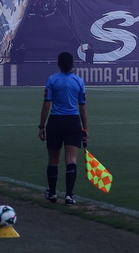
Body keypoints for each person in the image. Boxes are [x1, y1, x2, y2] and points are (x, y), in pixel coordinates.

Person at [39, 51, 88, 205]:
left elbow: (47, 104)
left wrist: (41, 126)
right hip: (73, 122)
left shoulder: (52, 80)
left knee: (53, 160)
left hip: (55, 121)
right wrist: (85, 130)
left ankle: (52, 193)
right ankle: (69, 195)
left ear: (58, 64)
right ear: (72, 64)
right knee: (71, 159)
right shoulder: (78, 81)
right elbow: (83, 108)